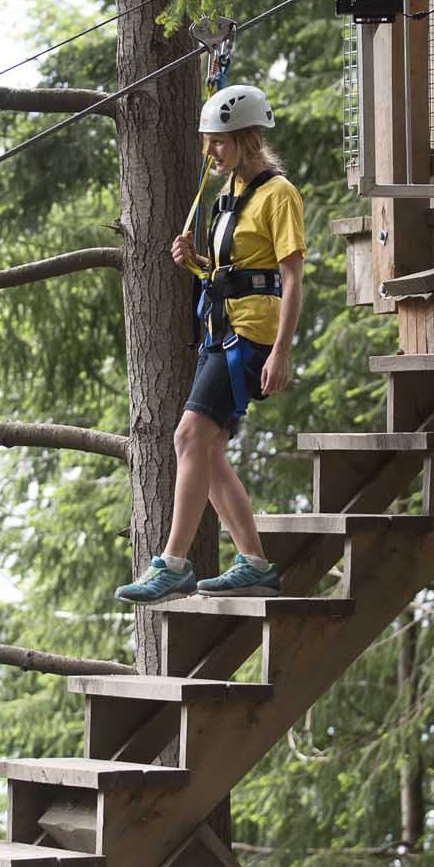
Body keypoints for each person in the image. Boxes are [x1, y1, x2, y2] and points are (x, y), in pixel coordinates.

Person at [116, 83, 305, 602]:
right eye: (208, 142)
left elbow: (288, 279)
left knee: (187, 438)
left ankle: (173, 563)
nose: (210, 153)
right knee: (210, 449)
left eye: (217, 142)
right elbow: (238, 270)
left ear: (245, 138)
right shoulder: (229, 196)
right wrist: (196, 262)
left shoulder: (278, 195)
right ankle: (254, 563)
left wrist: (283, 351)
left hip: (252, 336)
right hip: (221, 330)